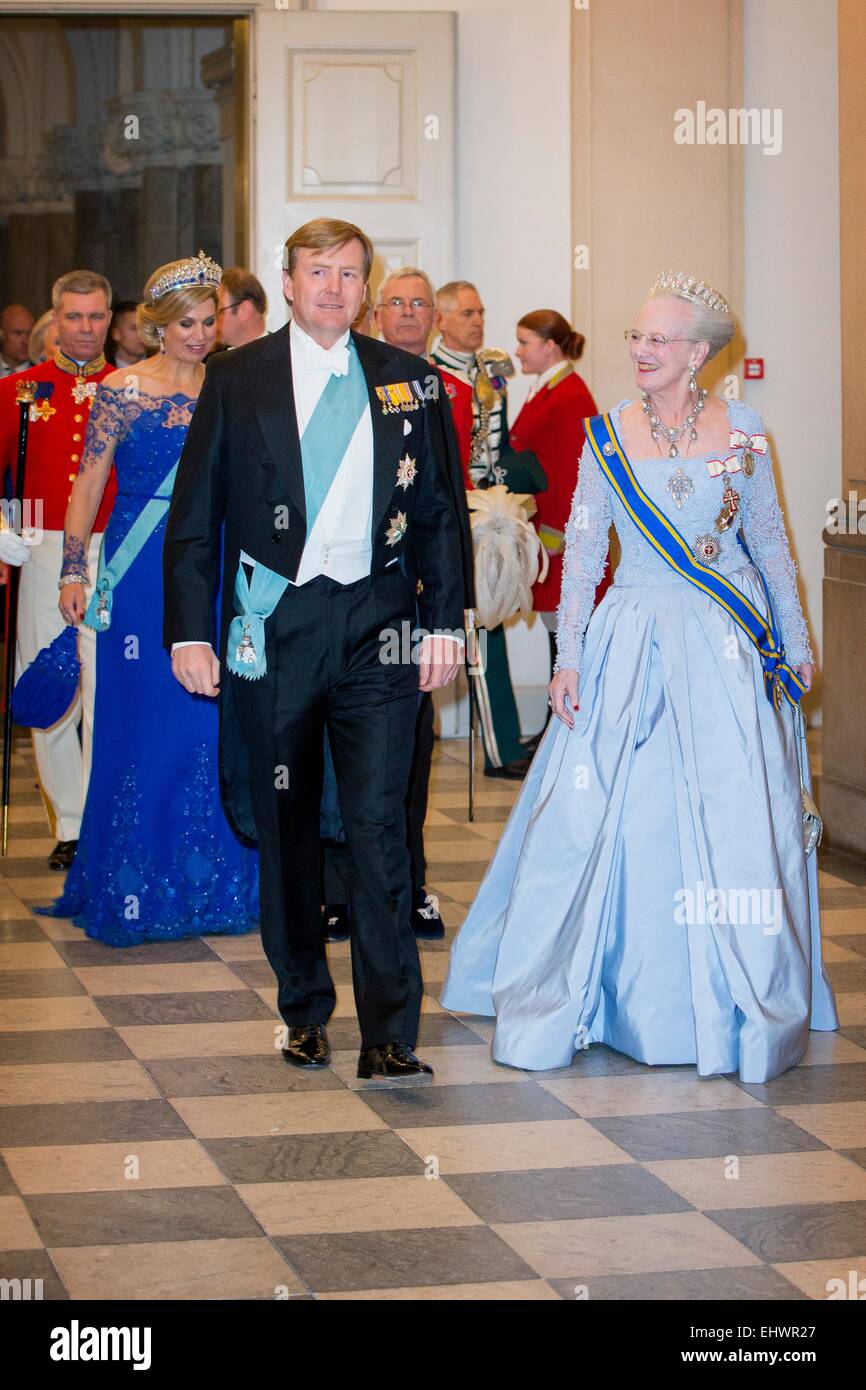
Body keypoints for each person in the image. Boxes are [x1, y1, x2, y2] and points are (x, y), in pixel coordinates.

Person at [442, 270, 838, 1083]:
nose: (641, 350)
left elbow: (770, 543)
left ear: (698, 352)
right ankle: (601, 994)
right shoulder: (607, 433)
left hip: (725, 648)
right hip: (628, 639)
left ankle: (735, 999)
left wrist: (794, 643)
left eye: (659, 339)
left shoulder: (746, 430)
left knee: (730, 814)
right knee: (601, 816)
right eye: (636, 335)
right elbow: (585, 552)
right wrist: (573, 658)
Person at [164, 217, 467, 1083]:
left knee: (379, 827)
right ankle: (303, 1010)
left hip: (380, 626)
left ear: (364, 287)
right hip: (278, 631)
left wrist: (443, 623)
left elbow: (440, 514)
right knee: (290, 828)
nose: (333, 287)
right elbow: (194, 521)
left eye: (348, 273)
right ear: (287, 282)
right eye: (316, 271)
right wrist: (190, 631)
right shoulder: (236, 378)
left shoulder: (410, 382)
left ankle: (390, 1034)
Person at [38, 253, 258, 945]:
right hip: (137, 574)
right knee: (140, 722)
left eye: (208, 321)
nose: (199, 334)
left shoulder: (232, 384)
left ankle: (219, 881)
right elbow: (86, 483)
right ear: (156, 326)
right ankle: (132, 881)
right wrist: (73, 570)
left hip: (215, 566)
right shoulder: (122, 390)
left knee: (214, 724)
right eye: (185, 323)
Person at [321, 266, 475, 945]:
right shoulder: (343, 379)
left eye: (420, 303)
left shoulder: (436, 387)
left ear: (433, 317)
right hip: (336, 602)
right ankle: (334, 894)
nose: (409, 313)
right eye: (397, 303)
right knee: (331, 752)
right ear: (375, 313)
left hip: (406, 607)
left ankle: (407, 887)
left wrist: (449, 614)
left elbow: (446, 508)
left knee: (406, 755)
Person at [0, 270, 115, 870]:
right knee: (48, 685)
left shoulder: (128, 387)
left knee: (102, 689)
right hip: (42, 546)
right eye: (75, 316)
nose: (86, 328)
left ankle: (96, 816)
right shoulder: (21, 391)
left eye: (96, 316)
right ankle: (67, 822)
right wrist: (3, 531)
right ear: (55, 319)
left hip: (109, 549)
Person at [432, 281, 545, 781]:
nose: (477, 321)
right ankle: (499, 743)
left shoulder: (490, 370)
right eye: (467, 313)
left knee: (490, 619)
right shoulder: (430, 373)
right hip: (444, 512)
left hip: (485, 508)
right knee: (473, 627)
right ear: (443, 320)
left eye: (480, 312)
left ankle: (502, 743)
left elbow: (493, 447)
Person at [510, 309, 611, 748]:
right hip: (546, 532)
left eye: (525, 342)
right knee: (558, 630)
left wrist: (554, 534)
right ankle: (559, 725)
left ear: (549, 345)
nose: (518, 351)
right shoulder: (548, 387)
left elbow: (575, 473)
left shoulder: (569, 394)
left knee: (569, 632)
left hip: (561, 538)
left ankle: (568, 725)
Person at [215, 267, 268, 349]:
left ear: (245, 310)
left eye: (218, 312)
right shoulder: (211, 359)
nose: (213, 322)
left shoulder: (286, 356)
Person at [106, 301, 147, 368]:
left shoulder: (161, 367)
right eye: (134, 328)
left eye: (145, 328)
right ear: (116, 333)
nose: (143, 334)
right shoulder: (102, 373)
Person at [0, 303, 35, 376]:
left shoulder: (45, 372)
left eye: (30, 333)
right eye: (18, 333)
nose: (26, 341)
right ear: (2, 334)